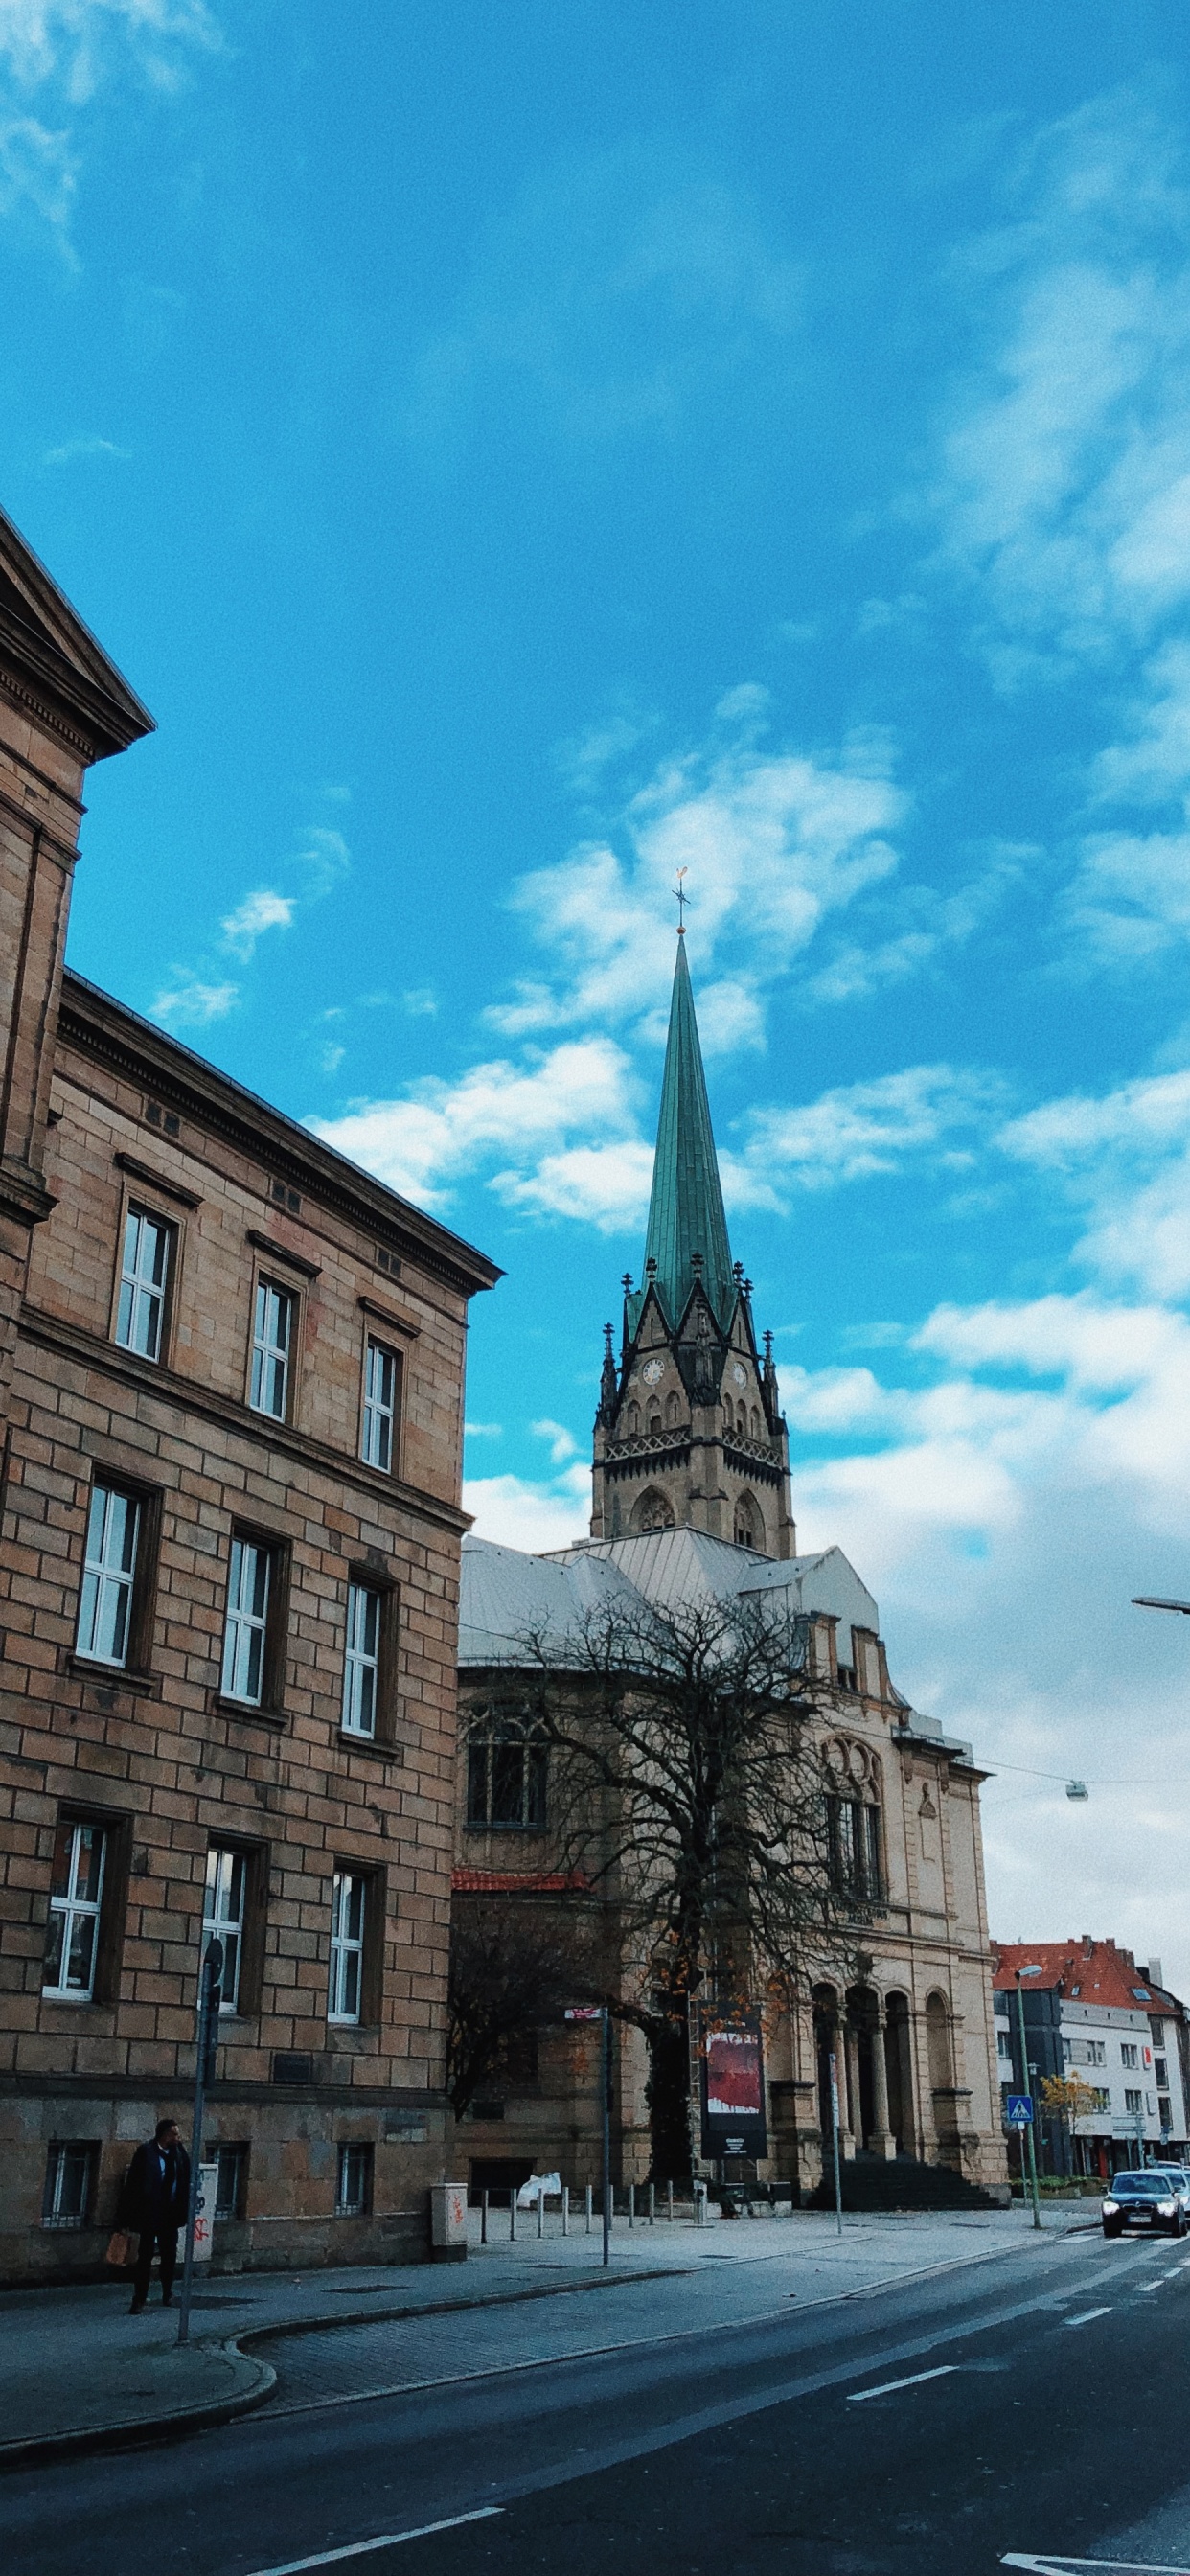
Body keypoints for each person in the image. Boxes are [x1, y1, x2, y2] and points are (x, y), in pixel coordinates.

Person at [118, 2117, 191, 2312]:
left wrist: (183, 2207)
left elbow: (185, 2179)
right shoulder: (146, 2152)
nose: (178, 2137)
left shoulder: (178, 2153)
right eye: (174, 2133)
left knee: (169, 2255)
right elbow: (133, 2183)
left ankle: (167, 2291)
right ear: (165, 2134)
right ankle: (139, 2298)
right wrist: (127, 2215)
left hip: (170, 2212)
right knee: (145, 2256)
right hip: (149, 2212)